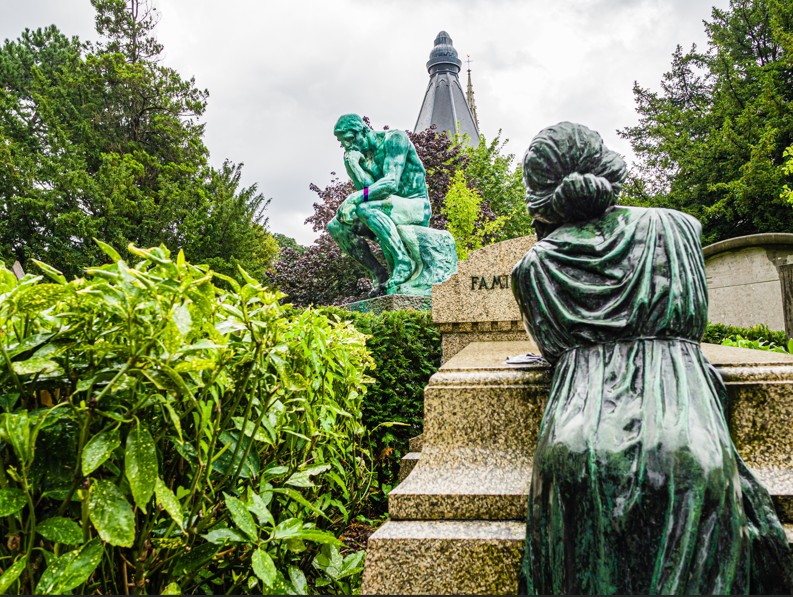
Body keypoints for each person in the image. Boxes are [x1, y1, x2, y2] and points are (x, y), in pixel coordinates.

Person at [511, 122, 792, 594]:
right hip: (684, 426)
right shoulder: (677, 228)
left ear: (539, 199)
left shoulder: (533, 268)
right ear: (606, 166)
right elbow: (693, 322)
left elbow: (554, 347)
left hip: (574, 436)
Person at [328, 114, 431, 296]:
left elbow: (391, 183)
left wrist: (353, 198)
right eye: (343, 143)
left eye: (351, 139)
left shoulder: (395, 139)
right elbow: (369, 191)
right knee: (336, 226)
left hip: (415, 205)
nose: (348, 146)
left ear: (365, 131)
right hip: (387, 208)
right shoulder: (364, 157)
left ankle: (403, 261)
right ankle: (379, 274)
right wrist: (354, 167)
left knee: (364, 207)